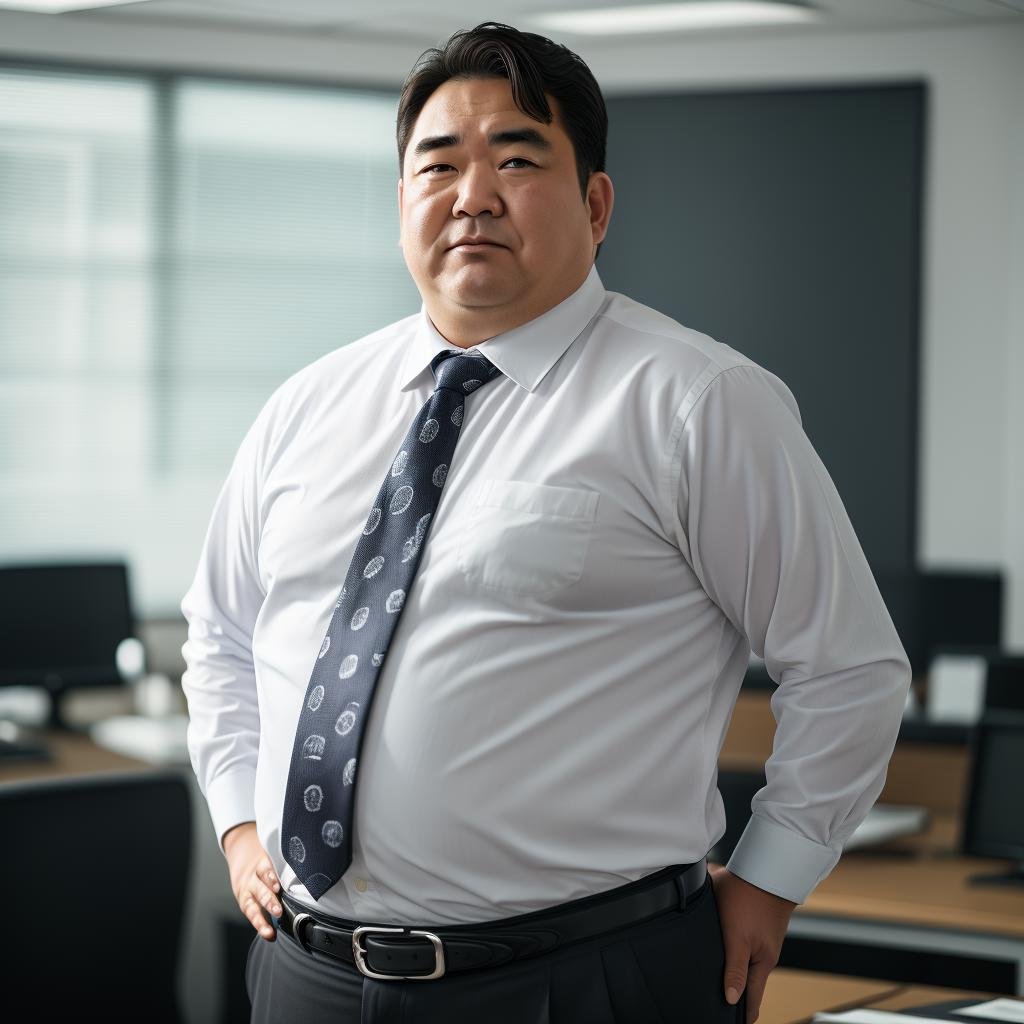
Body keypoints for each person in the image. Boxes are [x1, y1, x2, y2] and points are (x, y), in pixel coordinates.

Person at [180, 21, 911, 1024]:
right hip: (306, 973)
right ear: (402, 203)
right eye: (437, 165)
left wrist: (771, 876)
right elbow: (219, 631)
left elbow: (849, 667)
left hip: (580, 979)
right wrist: (238, 818)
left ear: (595, 203)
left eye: (517, 159)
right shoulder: (306, 405)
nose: (472, 195)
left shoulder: (696, 400)